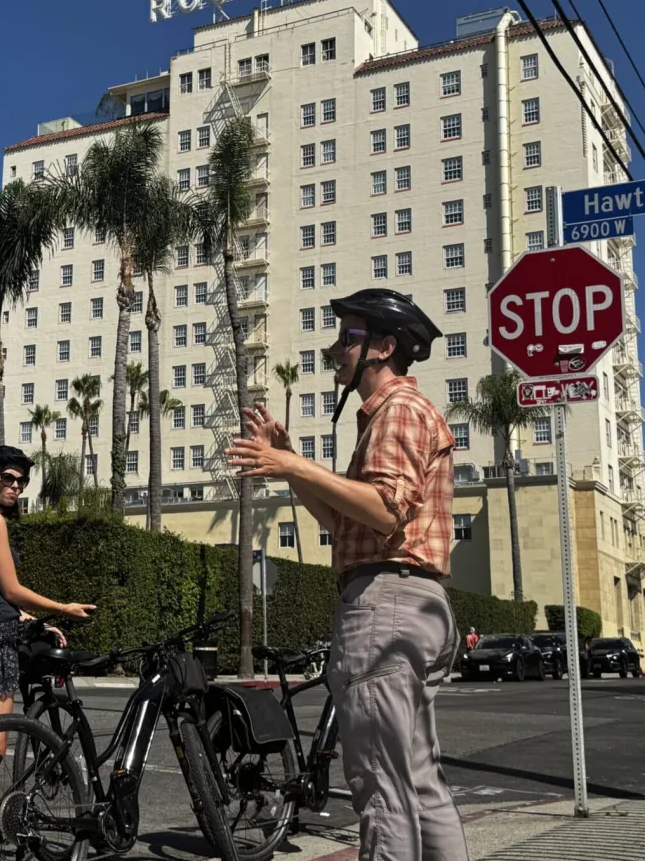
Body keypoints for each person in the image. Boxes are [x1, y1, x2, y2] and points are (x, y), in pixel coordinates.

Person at [227, 288, 467, 861]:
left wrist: (292, 463)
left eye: (348, 339)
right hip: (410, 602)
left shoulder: (399, 411)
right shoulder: (388, 416)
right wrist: (292, 465)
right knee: (419, 784)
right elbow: (344, 519)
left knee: (382, 791)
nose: (335, 350)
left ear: (385, 347)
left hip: (385, 603)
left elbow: (387, 509)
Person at [0, 445, 95, 861]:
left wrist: (26, 617)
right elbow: (8, 589)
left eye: (21, 481)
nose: (15, 486)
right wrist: (62, 607)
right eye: (7, 478)